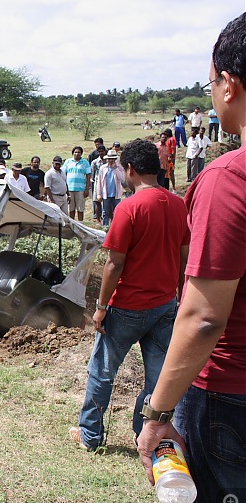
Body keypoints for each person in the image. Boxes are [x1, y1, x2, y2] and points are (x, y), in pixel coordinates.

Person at [137, 14, 246, 503]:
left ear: (229, 82)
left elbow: (204, 317)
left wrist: (157, 414)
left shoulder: (228, 181)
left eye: (211, 82)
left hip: (230, 397)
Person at [70, 139, 189, 452]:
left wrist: (100, 307)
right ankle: (144, 435)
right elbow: (183, 257)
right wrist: (177, 296)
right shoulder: (178, 205)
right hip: (165, 306)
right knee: (156, 378)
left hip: (127, 308)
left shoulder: (129, 207)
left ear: (130, 169)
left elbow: (114, 263)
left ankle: (90, 436)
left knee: (102, 372)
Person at [94, 150, 125, 226]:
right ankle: (106, 228)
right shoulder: (103, 168)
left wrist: (116, 169)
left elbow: (122, 179)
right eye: (109, 159)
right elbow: (100, 182)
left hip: (116, 194)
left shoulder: (119, 168)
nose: (111, 160)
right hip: (106, 194)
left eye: (113, 159)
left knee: (116, 212)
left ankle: (116, 227)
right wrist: (99, 194)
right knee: (106, 212)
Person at [63, 146, 91, 220]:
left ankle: (80, 225)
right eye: (75, 152)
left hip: (80, 189)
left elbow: (88, 177)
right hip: (69, 189)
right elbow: (63, 174)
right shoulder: (68, 162)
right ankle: (72, 225)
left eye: (78, 152)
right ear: (73, 153)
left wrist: (87, 189)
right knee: (71, 209)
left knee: (80, 209)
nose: (77, 154)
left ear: (81, 153)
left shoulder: (85, 163)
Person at [89, 146, 105, 222]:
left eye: (102, 151)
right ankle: (98, 219)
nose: (101, 153)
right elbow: (92, 174)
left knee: (107, 202)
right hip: (97, 183)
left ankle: (107, 218)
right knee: (97, 201)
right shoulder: (95, 162)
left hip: (106, 183)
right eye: (99, 151)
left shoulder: (108, 161)